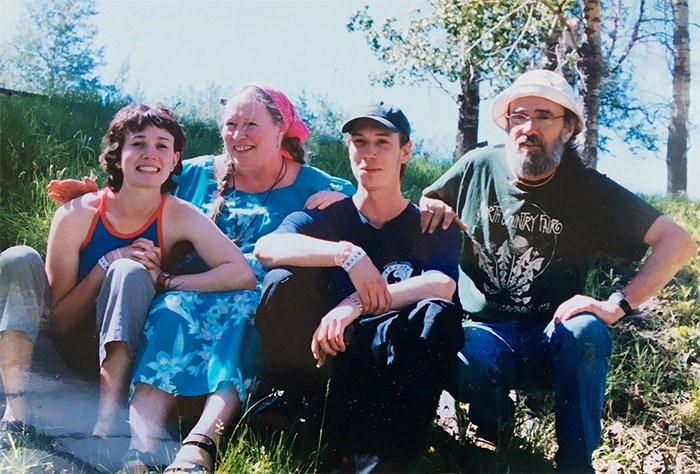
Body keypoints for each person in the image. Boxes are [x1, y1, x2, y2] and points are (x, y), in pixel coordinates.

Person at [419, 69, 698, 472]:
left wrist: (616, 305)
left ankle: (574, 460)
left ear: (568, 128)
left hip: (552, 337)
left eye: (544, 117)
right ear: (507, 123)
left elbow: (679, 243)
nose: (528, 128)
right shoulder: (476, 166)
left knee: (587, 330)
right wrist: (431, 207)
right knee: (467, 351)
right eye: (519, 116)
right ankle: (492, 438)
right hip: (483, 330)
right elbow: (427, 204)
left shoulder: (587, 190)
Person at [0, 104, 254, 448]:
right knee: (18, 257)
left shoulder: (179, 215)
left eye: (162, 145)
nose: (150, 154)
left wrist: (165, 281)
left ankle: (107, 424)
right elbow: (57, 322)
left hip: (121, 355)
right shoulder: (78, 214)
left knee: (130, 270)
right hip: (56, 352)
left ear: (175, 159)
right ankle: (16, 412)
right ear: (117, 155)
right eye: (138, 143)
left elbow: (241, 273)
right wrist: (106, 262)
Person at [254, 102, 465, 472]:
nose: (369, 153)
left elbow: (443, 284)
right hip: (326, 363)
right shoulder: (326, 215)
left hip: (387, 368)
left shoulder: (430, 224)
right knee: (280, 282)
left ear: (405, 151)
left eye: (382, 142)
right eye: (359, 142)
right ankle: (292, 414)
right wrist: (347, 254)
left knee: (438, 315)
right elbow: (267, 248)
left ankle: (389, 457)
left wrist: (354, 303)